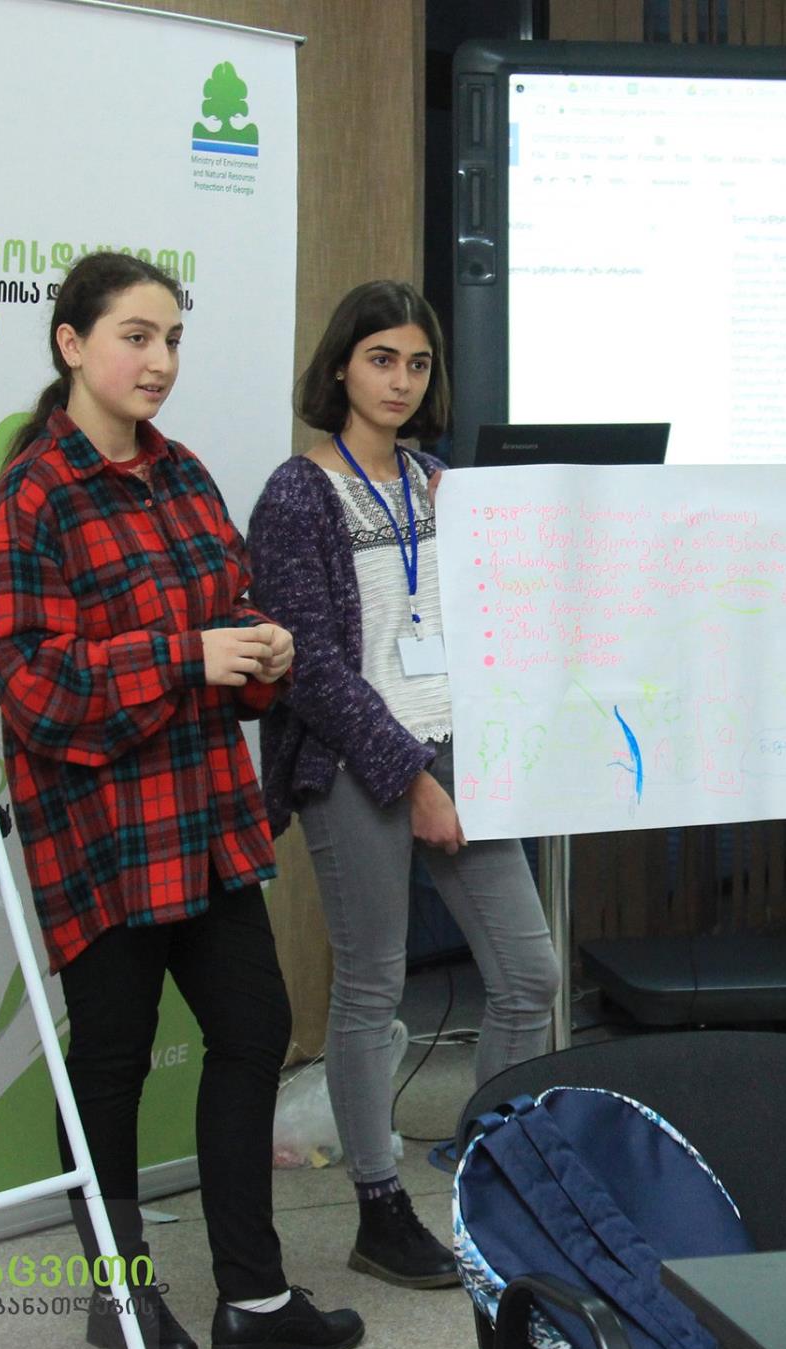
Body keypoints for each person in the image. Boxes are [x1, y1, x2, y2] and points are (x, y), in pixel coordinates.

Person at [0, 251, 362, 1349]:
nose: (159, 361)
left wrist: (261, 652)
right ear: (71, 344)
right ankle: (122, 1297)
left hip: (202, 818)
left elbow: (227, 619)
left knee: (254, 1030)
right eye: (135, 337)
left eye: (172, 339)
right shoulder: (29, 501)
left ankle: (255, 1299)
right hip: (102, 835)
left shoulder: (182, 473)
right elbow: (34, 691)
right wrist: (188, 655)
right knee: (110, 1062)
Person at [247, 280, 559, 1288]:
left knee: (530, 974)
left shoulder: (439, 483)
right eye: (381, 358)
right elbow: (309, 666)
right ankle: (379, 1209)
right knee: (373, 986)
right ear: (341, 365)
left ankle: (494, 1180)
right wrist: (411, 779)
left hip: (458, 745)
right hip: (352, 761)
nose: (401, 380)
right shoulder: (297, 494)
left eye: (417, 363)